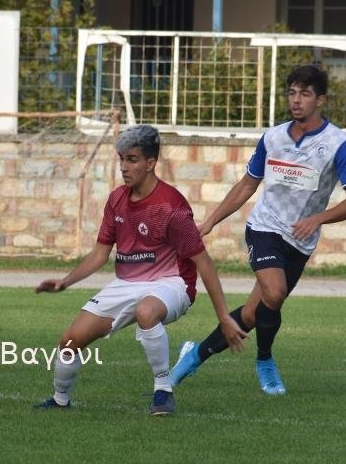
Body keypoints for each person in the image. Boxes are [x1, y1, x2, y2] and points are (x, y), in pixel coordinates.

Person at [170, 64, 346, 395]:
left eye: (305, 93)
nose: (296, 100)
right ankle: (264, 360)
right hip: (264, 227)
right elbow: (248, 184)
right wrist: (209, 222)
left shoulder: (338, 144)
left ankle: (193, 355)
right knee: (274, 292)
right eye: (292, 92)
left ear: (320, 99)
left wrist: (318, 218)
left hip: (300, 242)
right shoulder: (273, 138)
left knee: (252, 312)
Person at [34, 125, 246, 415]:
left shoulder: (171, 207)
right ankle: (59, 400)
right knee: (70, 341)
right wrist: (65, 281)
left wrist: (223, 316)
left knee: (146, 311)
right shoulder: (116, 200)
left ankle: (163, 391)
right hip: (126, 282)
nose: (123, 167)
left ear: (150, 163)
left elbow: (204, 263)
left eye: (132, 159)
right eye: (121, 159)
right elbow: (99, 254)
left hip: (173, 283)